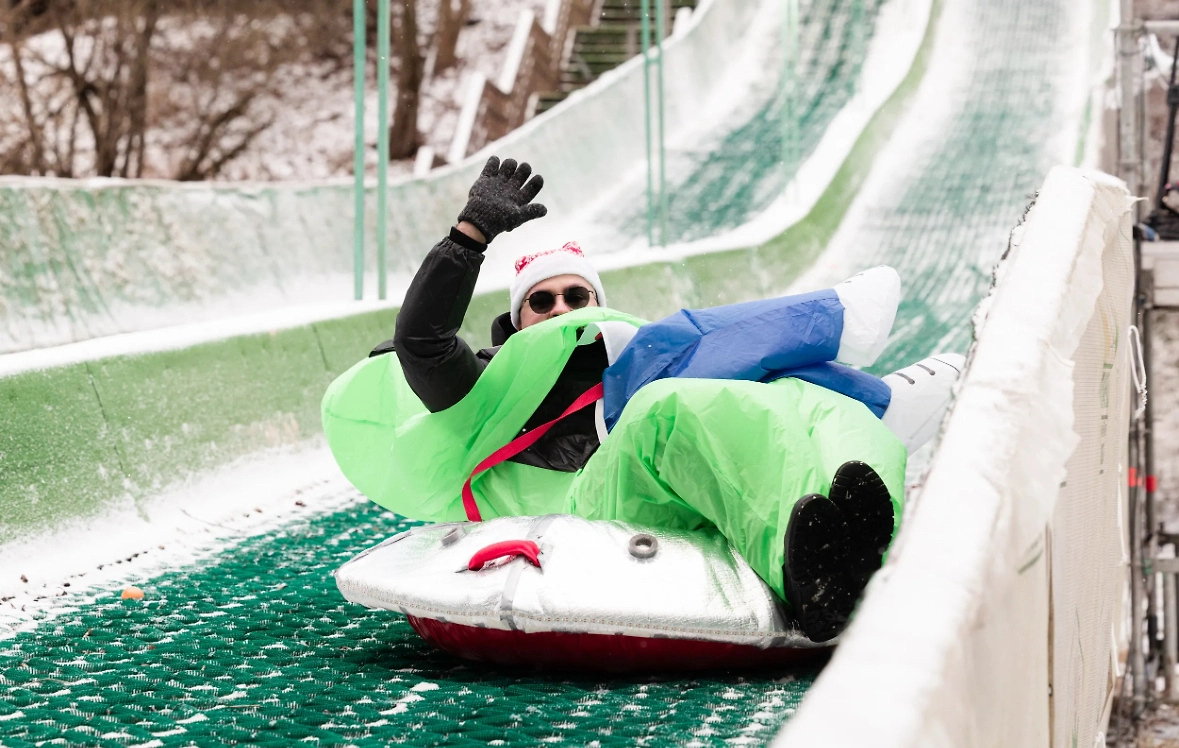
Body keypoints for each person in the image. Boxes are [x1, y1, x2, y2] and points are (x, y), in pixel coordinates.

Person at [323, 156, 962, 642]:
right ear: (516, 322)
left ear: (597, 305)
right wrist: (468, 237)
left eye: (576, 297)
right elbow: (424, 343)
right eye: (540, 302)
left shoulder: (624, 363)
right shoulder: (486, 387)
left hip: (660, 490)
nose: (560, 310)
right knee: (668, 411)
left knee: (790, 400)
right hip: (585, 509)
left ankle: (865, 489)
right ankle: (805, 575)